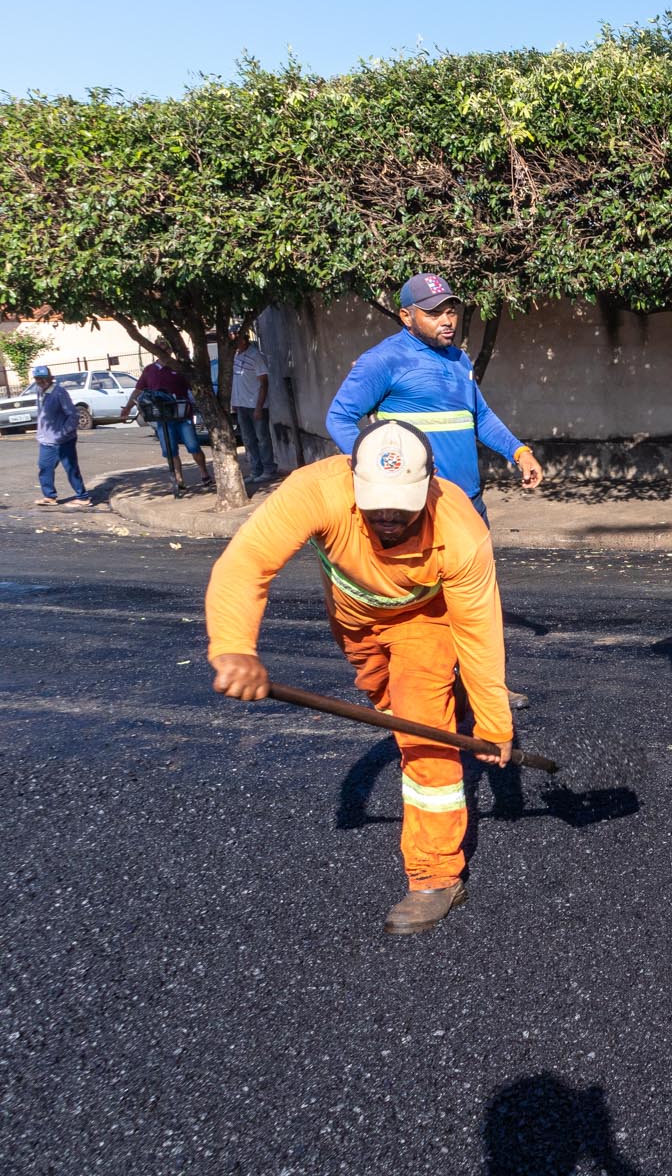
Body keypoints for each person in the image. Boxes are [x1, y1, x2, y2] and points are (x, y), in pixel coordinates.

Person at [206, 420, 512, 936]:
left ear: (430, 483)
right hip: (353, 620)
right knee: (384, 701)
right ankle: (437, 701)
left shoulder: (460, 529)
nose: (389, 516)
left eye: (403, 505)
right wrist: (235, 646)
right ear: (353, 480)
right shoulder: (314, 490)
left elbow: (480, 634)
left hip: (426, 621)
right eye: (377, 505)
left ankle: (436, 875)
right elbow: (248, 562)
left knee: (420, 733)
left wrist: (494, 725)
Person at [326, 273, 543, 522]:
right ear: (406, 317)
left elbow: (480, 416)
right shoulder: (383, 360)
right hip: (417, 504)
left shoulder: (459, 359)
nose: (447, 321)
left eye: (450, 312)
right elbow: (339, 418)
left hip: (469, 501)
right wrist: (377, 468)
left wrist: (520, 453)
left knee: (480, 562)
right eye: (433, 314)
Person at [120, 356, 212, 497]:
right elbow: (138, 391)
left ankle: (204, 472)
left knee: (193, 446)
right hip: (163, 417)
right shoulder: (149, 370)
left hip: (182, 414)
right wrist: (127, 408)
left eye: (166, 348)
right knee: (170, 450)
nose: (164, 351)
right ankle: (179, 480)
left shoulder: (178, 367)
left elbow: (193, 388)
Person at [29, 364, 86, 506]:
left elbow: (73, 415)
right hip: (46, 440)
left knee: (71, 468)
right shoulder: (39, 391)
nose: (41, 381)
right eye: (37, 379)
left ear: (50, 378)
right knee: (44, 467)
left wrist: (63, 434)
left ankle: (83, 497)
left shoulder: (59, 392)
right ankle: (49, 497)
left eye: (43, 378)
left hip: (63, 440)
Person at [230, 321, 277, 483]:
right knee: (248, 440)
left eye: (236, 337)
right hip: (242, 405)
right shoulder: (235, 356)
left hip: (256, 405)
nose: (234, 340)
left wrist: (259, 407)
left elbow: (264, 383)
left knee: (262, 438)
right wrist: (234, 403)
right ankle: (256, 470)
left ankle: (268, 469)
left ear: (244, 338)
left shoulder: (256, 356)